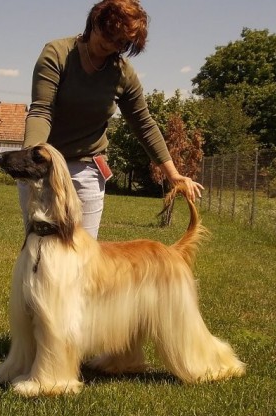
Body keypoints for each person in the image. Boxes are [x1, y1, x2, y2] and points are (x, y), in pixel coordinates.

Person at [21, 0, 203, 238]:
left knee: (83, 252)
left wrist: (173, 174)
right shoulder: (57, 53)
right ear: (96, 22)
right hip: (45, 166)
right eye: (109, 35)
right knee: (39, 245)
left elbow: (144, 124)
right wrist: (32, 159)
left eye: (122, 42)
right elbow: (41, 110)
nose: (112, 45)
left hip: (86, 168)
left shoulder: (122, 73)